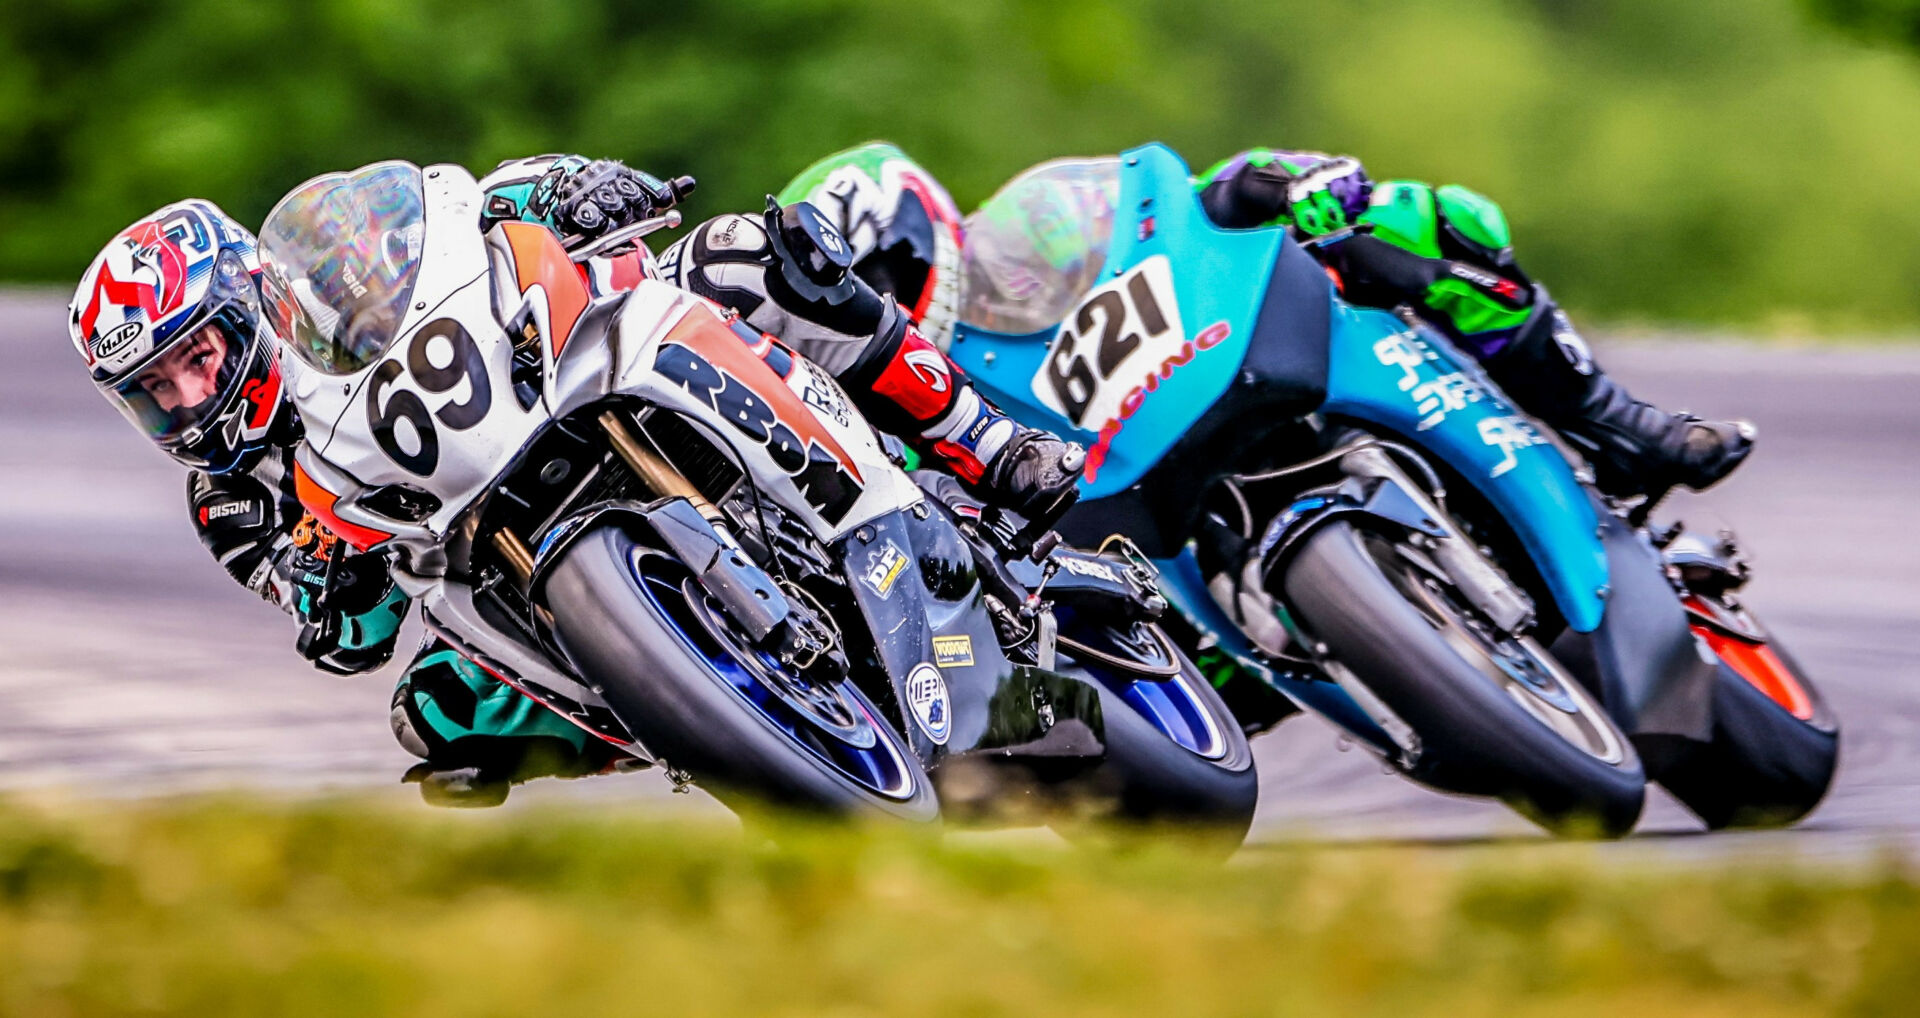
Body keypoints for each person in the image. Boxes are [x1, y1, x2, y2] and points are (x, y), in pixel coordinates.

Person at [68, 156, 1085, 805]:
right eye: (152, 391)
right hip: (481, 566)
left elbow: (467, 211)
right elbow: (343, 640)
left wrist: (573, 189)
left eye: (194, 356)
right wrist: (333, 593)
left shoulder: (329, 269)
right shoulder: (233, 502)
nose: (189, 397)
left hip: (561, 367)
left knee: (749, 256)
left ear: (246, 298)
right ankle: (733, 728)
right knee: (438, 717)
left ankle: (983, 441)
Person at [777, 142, 1753, 500]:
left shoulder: (1027, 226)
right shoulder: (896, 405)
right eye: (859, 289)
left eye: (890, 265)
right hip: (1137, 531)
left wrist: (1291, 178)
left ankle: (1617, 422)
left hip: (1226, 353)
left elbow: (1181, 199)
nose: (886, 295)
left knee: (1435, 220)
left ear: (925, 221)